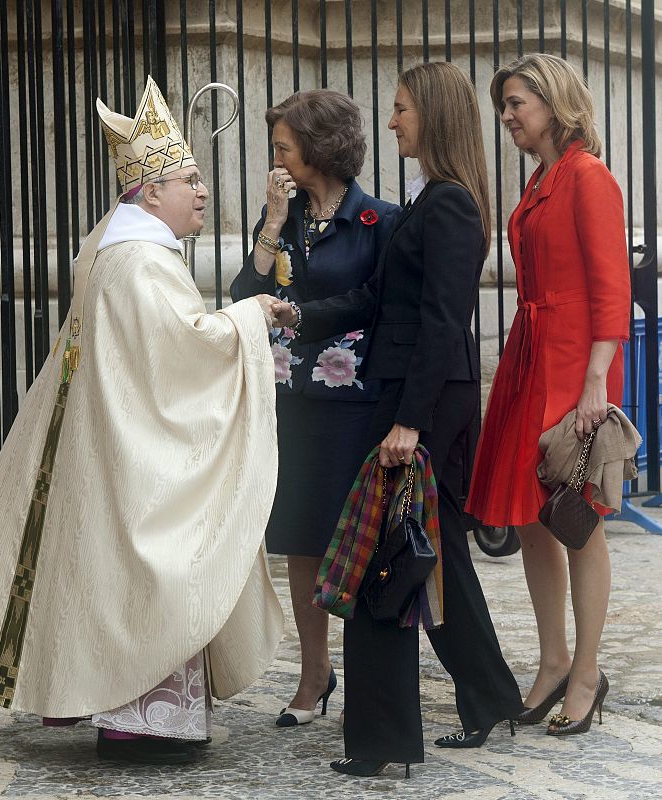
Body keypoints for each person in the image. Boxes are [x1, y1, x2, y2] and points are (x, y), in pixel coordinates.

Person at [0, 77, 283, 765]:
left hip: (106, 434)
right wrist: (252, 317)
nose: (203, 191)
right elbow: (184, 347)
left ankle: (95, 696)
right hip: (131, 445)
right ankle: (142, 720)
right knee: (158, 556)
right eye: (189, 179)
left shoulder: (111, 247)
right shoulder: (143, 261)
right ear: (150, 193)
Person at [273, 62, 523, 777]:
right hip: (413, 399)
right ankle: (490, 696)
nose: (391, 122)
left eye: (402, 109)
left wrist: (408, 423)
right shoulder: (429, 203)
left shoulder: (447, 205)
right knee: (433, 559)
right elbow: (374, 299)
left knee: (382, 563)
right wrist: (296, 313)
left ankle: (383, 744)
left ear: (433, 117)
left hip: (420, 406)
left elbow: (446, 323)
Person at [466, 53, 631, 735]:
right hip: (532, 355)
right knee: (530, 514)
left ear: (552, 102)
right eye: (502, 105)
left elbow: (609, 286)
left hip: (574, 364)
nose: (505, 117)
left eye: (515, 104)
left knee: (576, 518)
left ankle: (586, 672)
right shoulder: (544, 178)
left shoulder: (588, 176)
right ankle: (553, 660)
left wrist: (595, 380)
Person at [231, 89, 400, 727]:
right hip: (289, 401)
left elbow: (375, 305)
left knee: (355, 541)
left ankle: (370, 677)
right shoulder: (285, 218)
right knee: (301, 543)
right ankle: (313, 673)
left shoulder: (380, 221)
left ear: (320, 147)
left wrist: (301, 314)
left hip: (352, 404)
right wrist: (271, 224)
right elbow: (245, 293)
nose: (275, 159)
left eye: (283, 146)